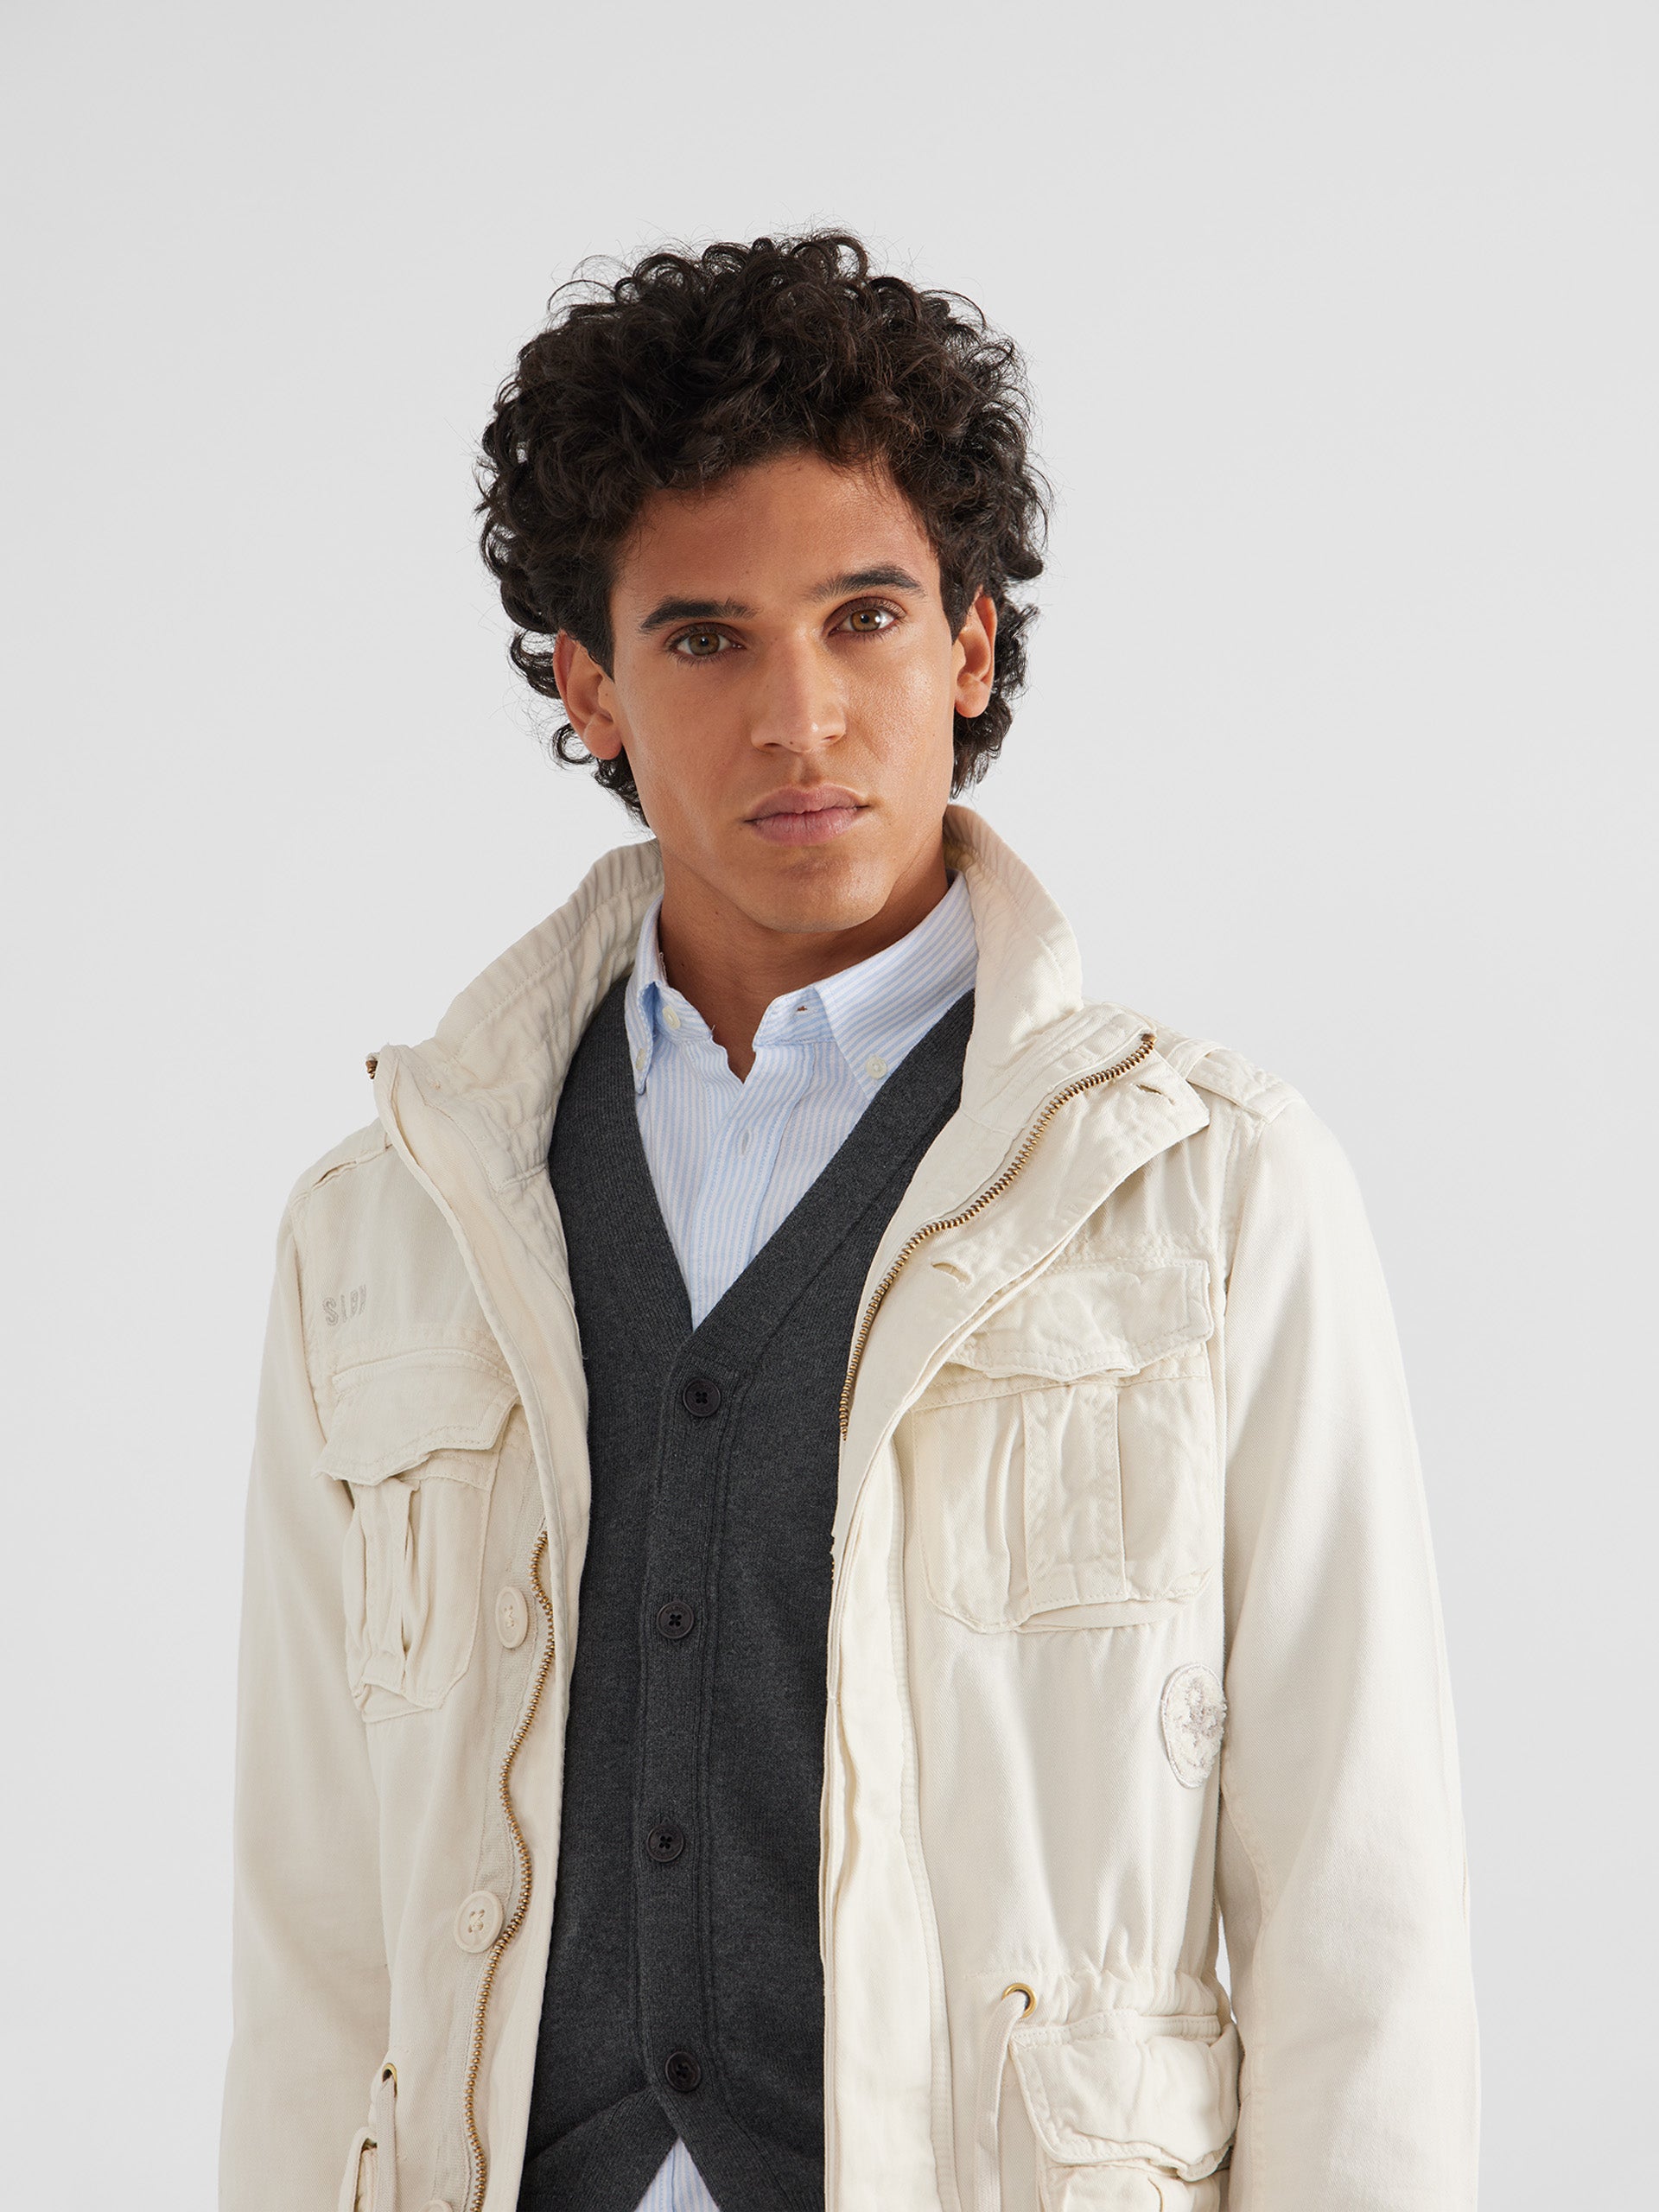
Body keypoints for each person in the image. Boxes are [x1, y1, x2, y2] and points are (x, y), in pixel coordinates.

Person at [219, 232, 1478, 2212]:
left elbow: (1357, 1916)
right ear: (589, 685)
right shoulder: (387, 1227)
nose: (798, 717)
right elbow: (312, 1948)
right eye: (705, 638)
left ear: (968, 645)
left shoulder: (1212, 1189)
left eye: (864, 617)